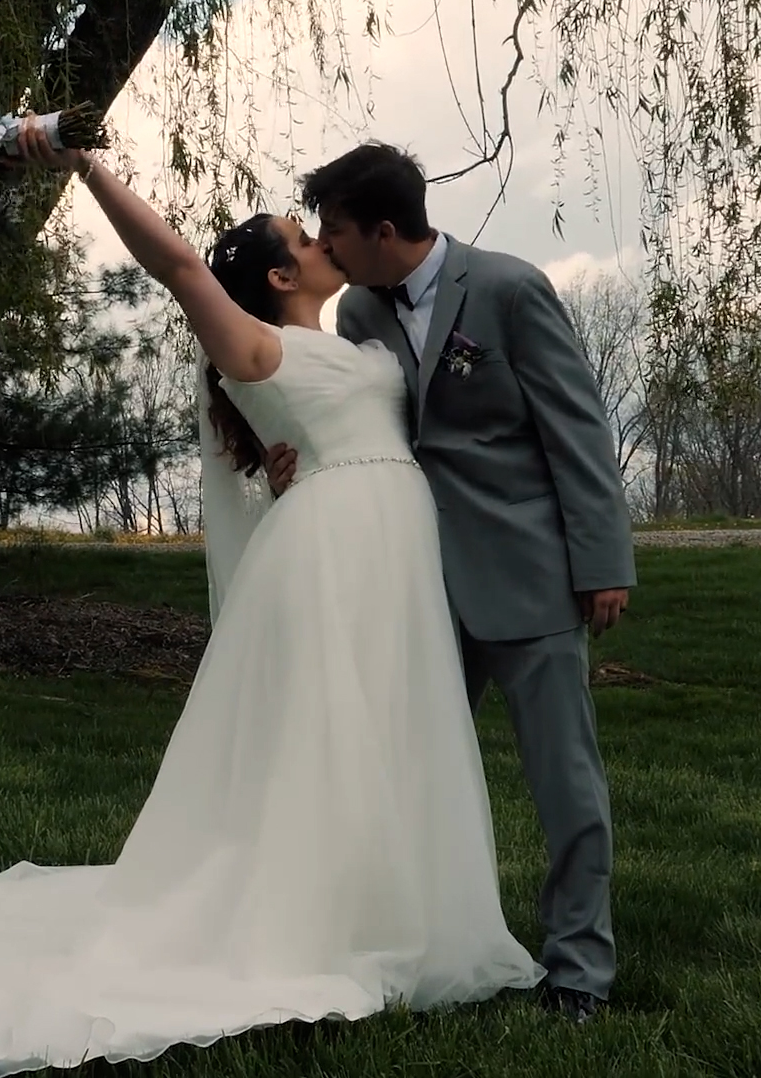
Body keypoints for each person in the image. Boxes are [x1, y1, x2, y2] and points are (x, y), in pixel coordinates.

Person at [0, 122, 541, 1077]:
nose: (318, 241)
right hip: (333, 553)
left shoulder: (360, 334)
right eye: (301, 239)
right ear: (275, 276)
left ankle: (390, 908)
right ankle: (310, 925)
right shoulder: (255, 346)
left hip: (393, 546)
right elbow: (181, 264)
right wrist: (85, 165)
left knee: (392, 727)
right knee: (326, 734)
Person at [269, 142, 635, 1024]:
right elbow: (363, 416)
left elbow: (577, 431)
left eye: (336, 232)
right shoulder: (359, 310)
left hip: (531, 578)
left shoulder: (508, 291)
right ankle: (400, 944)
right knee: (397, 771)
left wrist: (603, 563)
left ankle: (578, 971)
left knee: (565, 784)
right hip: (417, 584)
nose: (327, 248)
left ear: (383, 230)